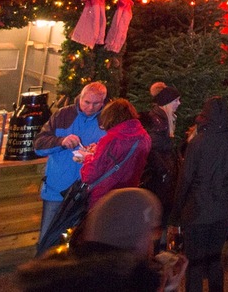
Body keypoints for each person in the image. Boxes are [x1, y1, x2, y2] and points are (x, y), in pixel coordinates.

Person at [16, 187, 187, 292]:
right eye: (151, 233)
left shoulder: (49, 277)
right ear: (134, 236)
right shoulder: (130, 283)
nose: (151, 243)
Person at [171, 96, 228, 292]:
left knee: (195, 262)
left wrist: (177, 210)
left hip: (197, 211)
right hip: (223, 210)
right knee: (215, 258)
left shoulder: (198, 143)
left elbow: (186, 179)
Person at [34, 82, 108, 254]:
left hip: (87, 192)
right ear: (80, 98)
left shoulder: (107, 120)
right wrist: (61, 142)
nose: (90, 107)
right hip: (57, 190)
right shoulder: (63, 115)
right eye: (87, 102)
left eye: (96, 103)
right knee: (48, 241)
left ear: (103, 102)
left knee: (80, 244)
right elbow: (38, 146)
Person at [80, 99, 151, 207]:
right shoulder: (145, 137)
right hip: (128, 195)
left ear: (110, 117)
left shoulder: (111, 139)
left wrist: (87, 157)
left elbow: (90, 175)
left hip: (104, 198)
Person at [141, 84, 182, 227]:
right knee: (159, 214)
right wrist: (164, 170)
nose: (179, 103)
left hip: (163, 175)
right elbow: (153, 149)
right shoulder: (157, 122)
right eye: (176, 101)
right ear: (167, 103)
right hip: (158, 177)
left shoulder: (165, 119)